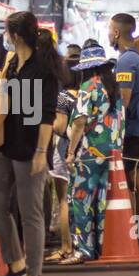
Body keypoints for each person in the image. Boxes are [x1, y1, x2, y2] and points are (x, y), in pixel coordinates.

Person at [0, 11, 59, 276]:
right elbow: (9, 100)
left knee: (31, 213)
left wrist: (42, 151)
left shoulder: (42, 68)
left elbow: (46, 115)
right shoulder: (13, 62)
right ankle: (15, 263)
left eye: (7, 33)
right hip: (5, 142)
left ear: (15, 36)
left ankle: (34, 274)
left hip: (31, 145)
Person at [62, 44, 124, 263]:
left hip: (89, 151)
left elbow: (79, 121)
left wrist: (70, 152)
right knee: (103, 200)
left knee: (81, 199)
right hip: (113, 153)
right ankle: (102, 245)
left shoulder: (89, 86)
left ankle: (83, 250)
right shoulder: (113, 87)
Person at [109, 14, 139, 256]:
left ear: (117, 32)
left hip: (136, 132)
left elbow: (123, 101)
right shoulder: (132, 58)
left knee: (138, 186)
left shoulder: (127, 60)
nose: (109, 34)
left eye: (110, 29)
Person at [46, 60, 79, 263]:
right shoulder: (84, 95)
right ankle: (81, 244)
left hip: (64, 150)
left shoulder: (63, 97)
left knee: (64, 201)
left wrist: (46, 121)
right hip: (82, 152)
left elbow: (59, 127)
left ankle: (66, 246)